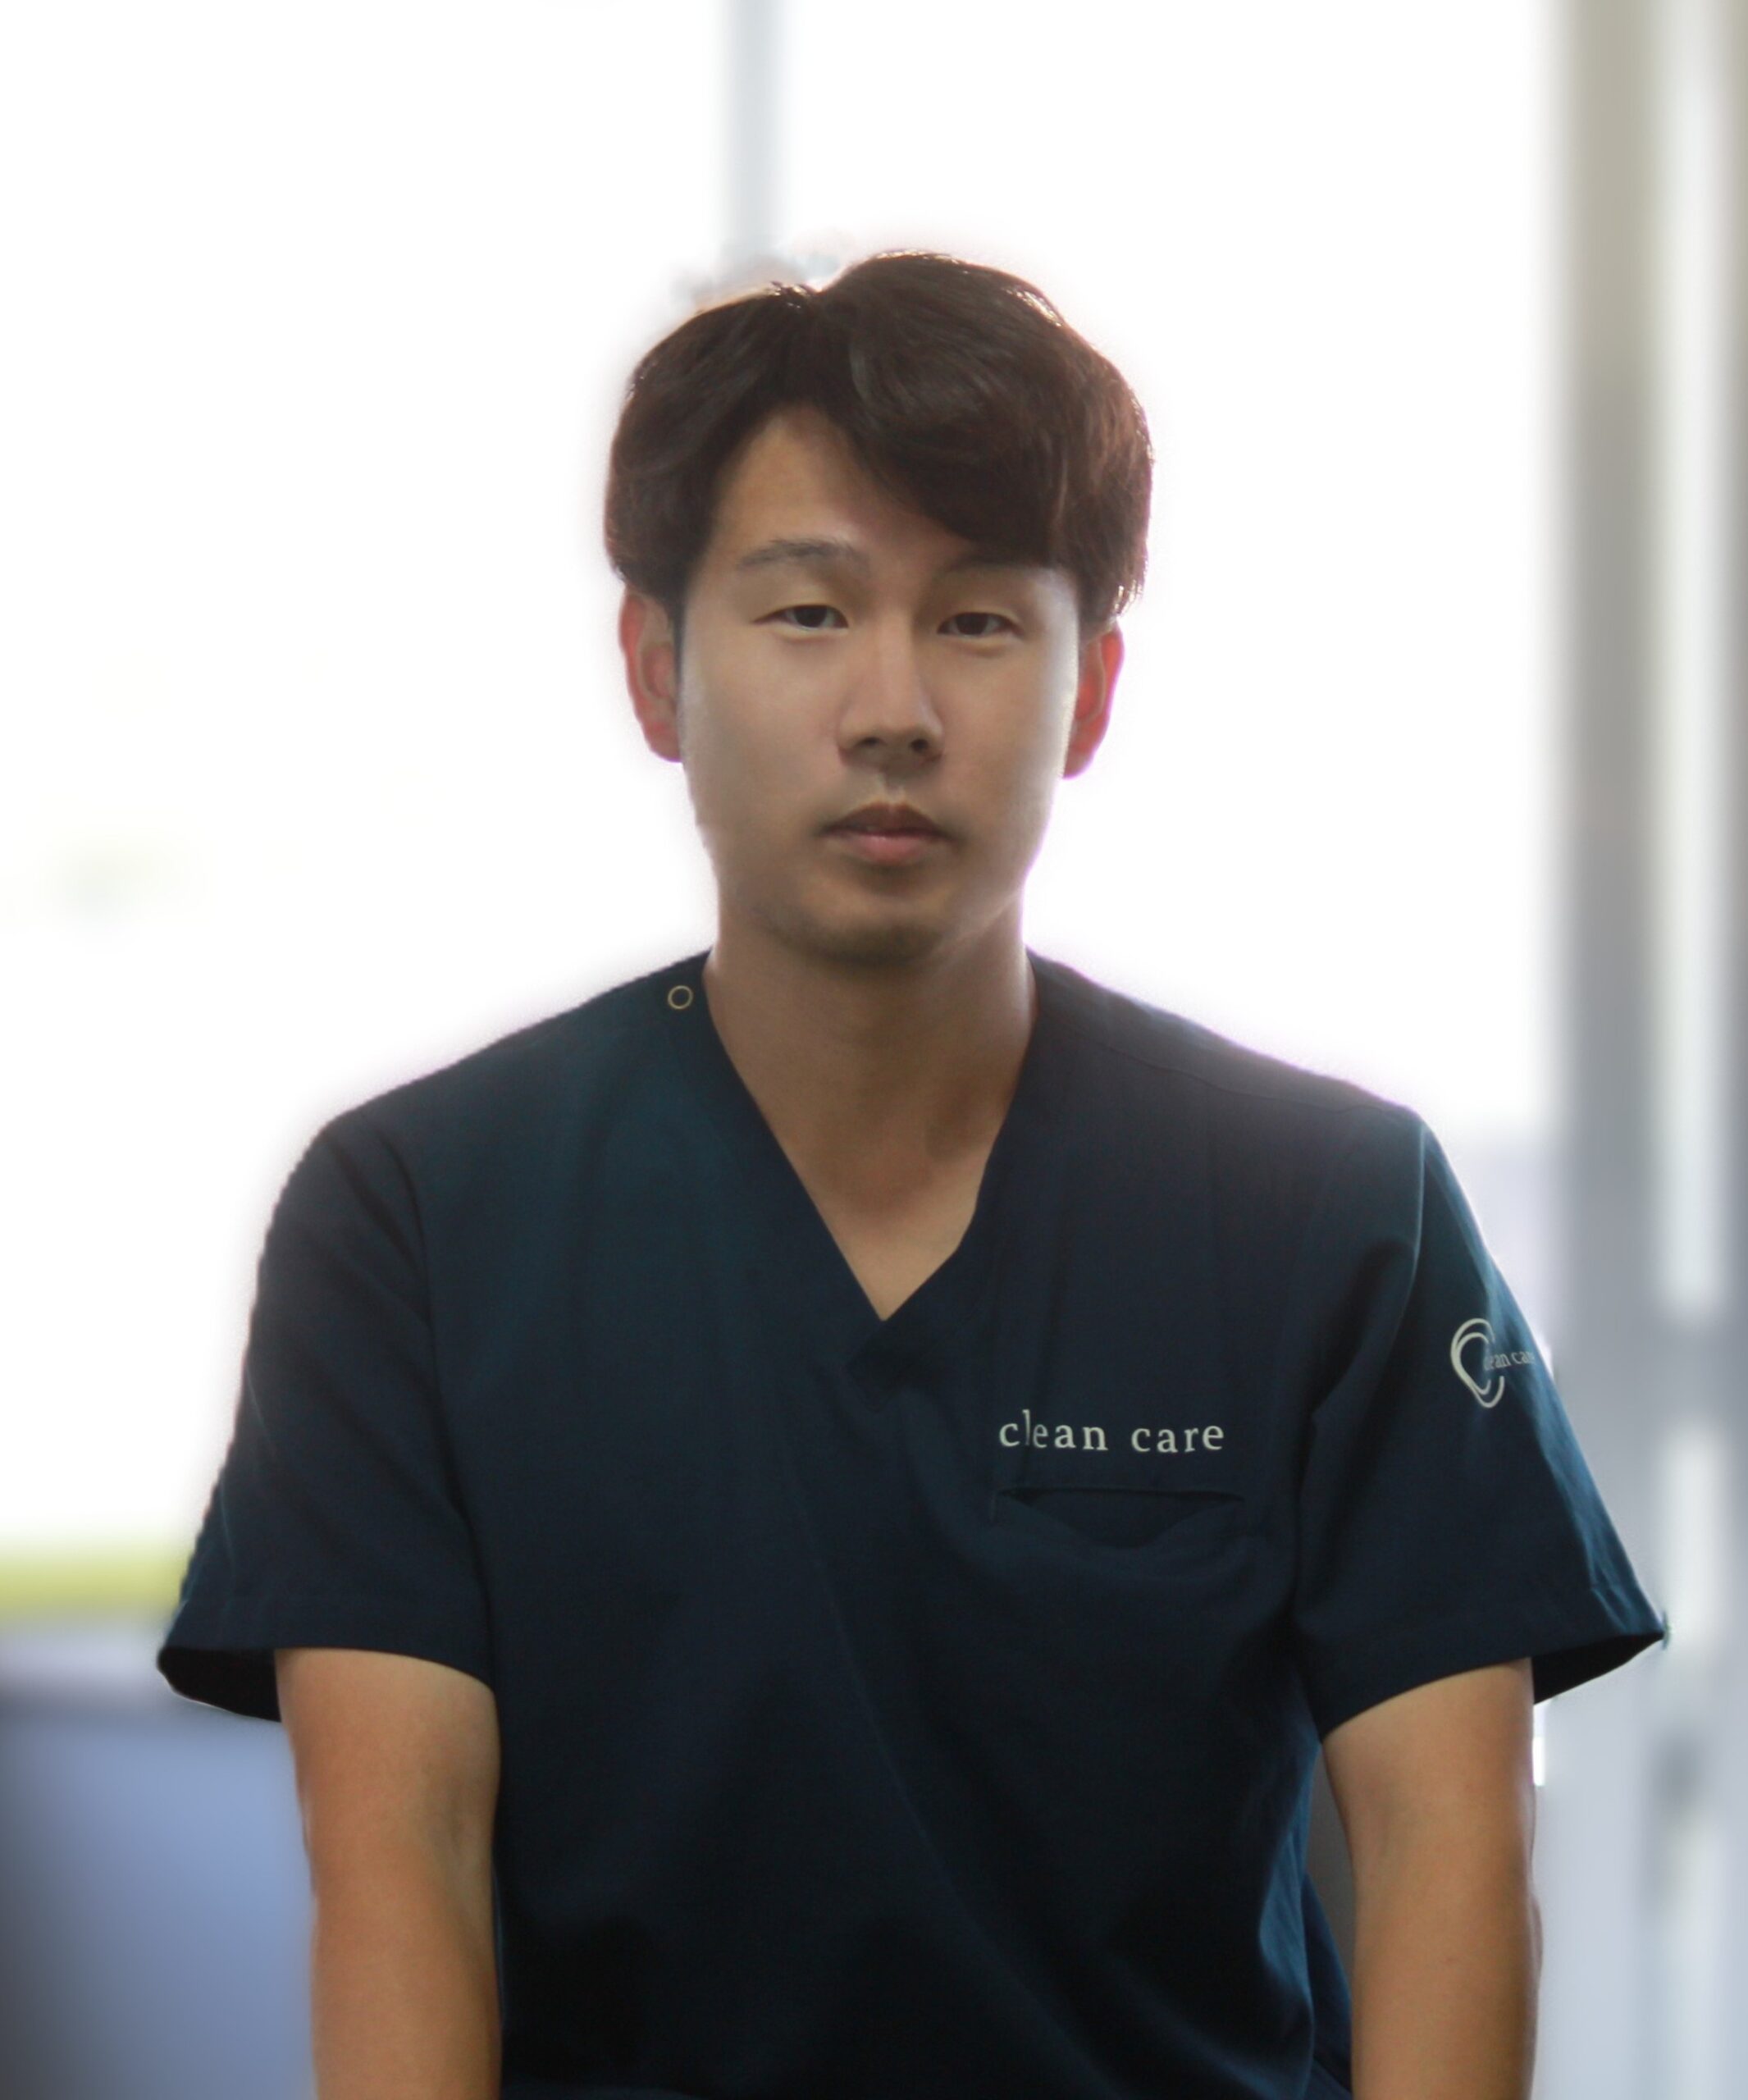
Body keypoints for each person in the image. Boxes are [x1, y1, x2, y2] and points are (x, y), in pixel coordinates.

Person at [157, 249, 1668, 2100]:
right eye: (807, 612)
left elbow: (1449, 1850)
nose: (892, 707)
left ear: (1089, 693)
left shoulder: (1335, 1214)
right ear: (657, 668)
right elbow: (401, 1866)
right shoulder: (413, 1220)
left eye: (977, 621)